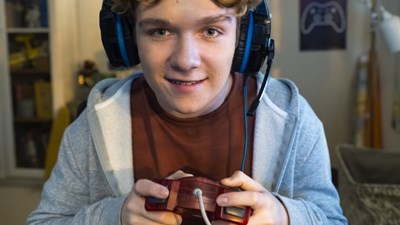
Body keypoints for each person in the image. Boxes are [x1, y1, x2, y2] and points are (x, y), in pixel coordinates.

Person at [27, 0, 347, 224]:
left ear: (244, 38)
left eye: (210, 31)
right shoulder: (91, 126)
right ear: (127, 38)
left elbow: (332, 220)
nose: (186, 60)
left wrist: (284, 216)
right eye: (159, 31)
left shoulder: (292, 118)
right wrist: (115, 217)